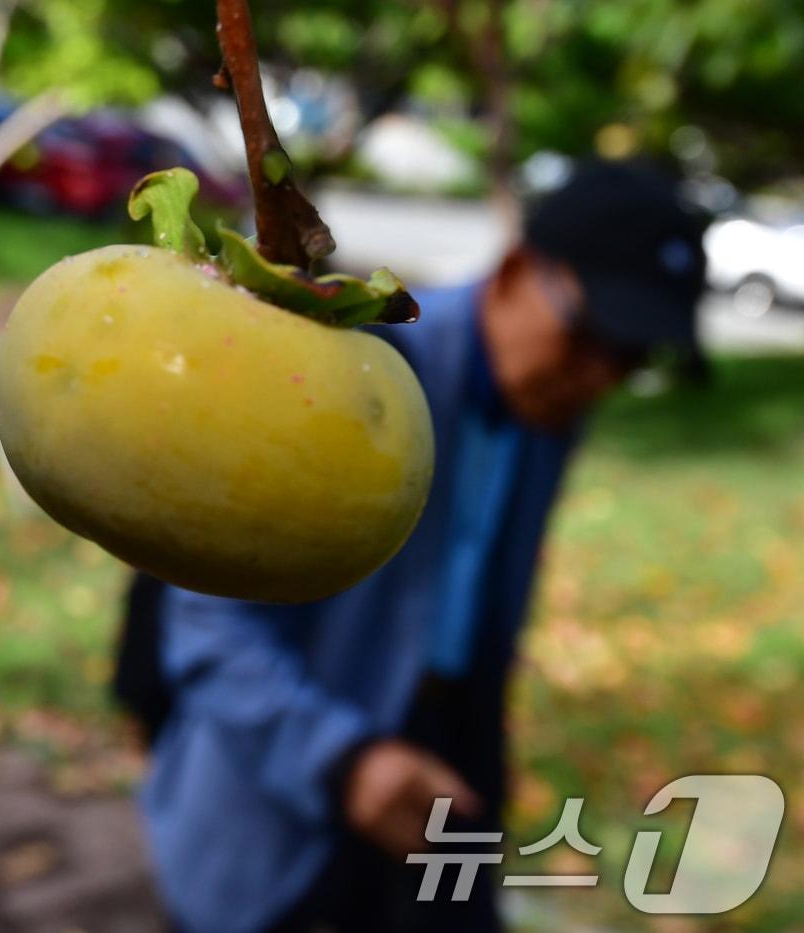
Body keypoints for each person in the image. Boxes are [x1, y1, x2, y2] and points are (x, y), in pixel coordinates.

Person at [121, 160, 709, 932]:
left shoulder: (549, 410)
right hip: (287, 771)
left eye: (630, 359)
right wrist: (342, 760)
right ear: (512, 273)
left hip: (446, 755)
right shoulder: (352, 375)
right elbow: (204, 621)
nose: (598, 375)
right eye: (590, 335)